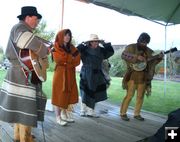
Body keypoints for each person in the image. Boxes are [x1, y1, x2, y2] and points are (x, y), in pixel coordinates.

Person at [0, 6, 50, 142]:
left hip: (20, 73)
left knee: (19, 109)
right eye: (36, 19)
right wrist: (44, 49)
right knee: (25, 110)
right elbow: (27, 41)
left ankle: (18, 136)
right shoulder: (20, 28)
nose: (37, 22)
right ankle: (25, 139)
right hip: (22, 75)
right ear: (28, 17)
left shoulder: (21, 28)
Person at [120, 32, 163, 121]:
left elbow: (152, 62)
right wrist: (136, 57)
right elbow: (123, 55)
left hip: (144, 76)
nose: (144, 44)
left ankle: (137, 114)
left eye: (146, 43)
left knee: (140, 96)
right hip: (132, 75)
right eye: (142, 42)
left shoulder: (149, 51)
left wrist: (159, 57)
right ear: (138, 40)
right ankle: (123, 113)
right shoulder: (130, 47)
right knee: (129, 95)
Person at [77, 34, 114, 117]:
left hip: (97, 73)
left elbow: (111, 52)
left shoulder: (101, 50)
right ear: (90, 42)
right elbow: (75, 52)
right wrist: (81, 45)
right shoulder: (84, 49)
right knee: (85, 91)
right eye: (93, 41)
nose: (95, 43)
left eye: (97, 41)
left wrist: (106, 44)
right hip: (86, 73)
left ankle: (90, 110)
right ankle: (83, 110)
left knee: (95, 92)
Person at [51, 29, 80, 126]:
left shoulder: (72, 48)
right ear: (60, 36)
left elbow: (77, 60)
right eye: (65, 35)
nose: (67, 37)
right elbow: (58, 60)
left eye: (69, 35)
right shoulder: (56, 47)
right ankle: (58, 117)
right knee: (58, 95)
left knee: (68, 94)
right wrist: (70, 59)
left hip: (70, 73)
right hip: (60, 74)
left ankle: (64, 115)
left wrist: (68, 60)